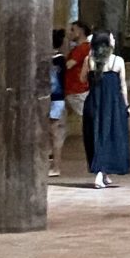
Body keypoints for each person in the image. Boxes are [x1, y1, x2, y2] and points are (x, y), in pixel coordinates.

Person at [82, 31, 130, 187]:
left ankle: (104, 173)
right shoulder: (118, 61)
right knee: (111, 136)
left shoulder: (89, 59)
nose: (114, 40)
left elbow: (82, 78)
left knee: (96, 136)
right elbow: (122, 85)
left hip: (94, 103)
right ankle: (100, 172)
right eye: (112, 38)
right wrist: (126, 105)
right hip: (113, 105)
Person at [52, 21, 90, 171]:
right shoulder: (80, 48)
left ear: (79, 32)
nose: (70, 33)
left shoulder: (82, 48)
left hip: (77, 91)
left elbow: (68, 66)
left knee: (89, 119)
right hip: (71, 91)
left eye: (73, 30)